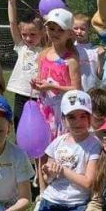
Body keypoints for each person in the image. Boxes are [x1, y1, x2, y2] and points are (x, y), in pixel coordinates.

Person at [31, 90, 101, 211]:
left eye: (83, 116)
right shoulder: (58, 142)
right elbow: (47, 177)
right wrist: (48, 171)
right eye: (71, 117)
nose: (78, 122)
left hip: (75, 205)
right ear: (63, 119)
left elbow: (88, 182)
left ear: (90, 118)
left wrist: (63, 170)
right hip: (50, 202)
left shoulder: (94, 145)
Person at [31, 8, 81, 139]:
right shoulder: (43, 54)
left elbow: (76, 89)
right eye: (52, 29)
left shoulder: (71, 59)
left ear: (69, 33)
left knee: (59, 142)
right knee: (42, 140)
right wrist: (37, 84)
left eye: (60, 30)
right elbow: (41, 80)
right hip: (44, 107)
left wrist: (52, 87)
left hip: (62, 109)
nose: (55, 33)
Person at [6, 0, 45, 131]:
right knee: (20, 126)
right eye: (24, 34)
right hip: (21, 94)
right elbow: (12, 22)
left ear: (42, 32)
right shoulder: (21, 46)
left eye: (33, 34)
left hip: (41, 96)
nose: (28, 38)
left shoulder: (47, 50)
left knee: (39, 128)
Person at [73, 13, 105, 91]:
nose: (79, 31)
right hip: (75, 92)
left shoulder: (96, 50)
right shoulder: (70, 49)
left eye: (83, 29)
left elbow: (101, 76)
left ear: (89, 29)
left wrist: (101, 59)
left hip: (93, 92)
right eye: (76, 28)